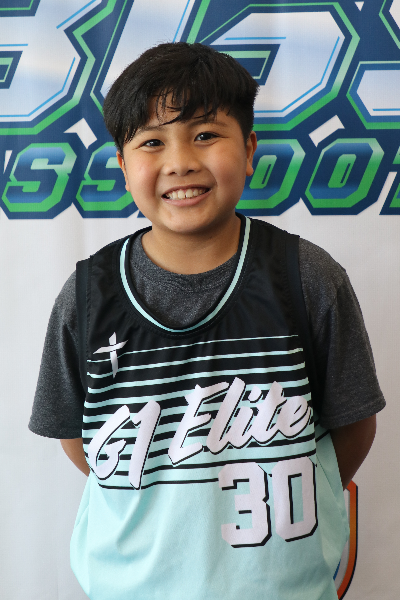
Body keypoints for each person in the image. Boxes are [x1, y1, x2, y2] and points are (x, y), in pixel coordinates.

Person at [29, 42, 385, 600]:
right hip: (132, 588)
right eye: (152, 141)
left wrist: (289, 494)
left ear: (248, 150)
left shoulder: (308, 277)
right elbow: (78, 436)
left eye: (205, 135)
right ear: (123, 165)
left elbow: (354, 423)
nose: (180, 162)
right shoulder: (88, 294)